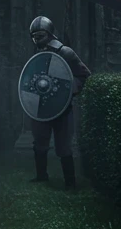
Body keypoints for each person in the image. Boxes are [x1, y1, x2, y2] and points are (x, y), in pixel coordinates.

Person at [27, 15, 91, 189]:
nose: (36, 39)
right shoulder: (36, 54)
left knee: (64, 146)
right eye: (34, 36)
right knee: (40, 143)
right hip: (41, 107)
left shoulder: (65, 53)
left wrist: (69, 90)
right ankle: (42, 176)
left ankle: (70, 183)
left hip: (62, 108)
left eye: (40, 35)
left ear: (49, 34)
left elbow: (83, 75)